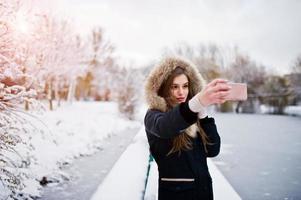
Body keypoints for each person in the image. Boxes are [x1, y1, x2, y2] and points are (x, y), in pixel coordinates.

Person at [144, 57, 231, 200]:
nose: (181, 92)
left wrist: (202, 114)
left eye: (185, 86)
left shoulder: (193, 115)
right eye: (174, 87)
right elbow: (166, 126)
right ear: (163, 88)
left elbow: (213, 150)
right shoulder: (153, 115)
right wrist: (197, 103)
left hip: (203, 193)